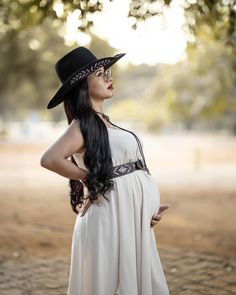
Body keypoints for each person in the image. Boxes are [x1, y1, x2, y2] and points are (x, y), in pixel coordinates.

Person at [40, 47, 170, 295]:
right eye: (100, 74)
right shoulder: (81, 126)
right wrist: (89, 178)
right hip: (108, 219)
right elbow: (50, 159)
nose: (109, 78)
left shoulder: (106, 122)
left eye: (107, 72)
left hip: (129, 219)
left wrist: (146, 207)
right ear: (82, 87)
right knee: (108, 284)